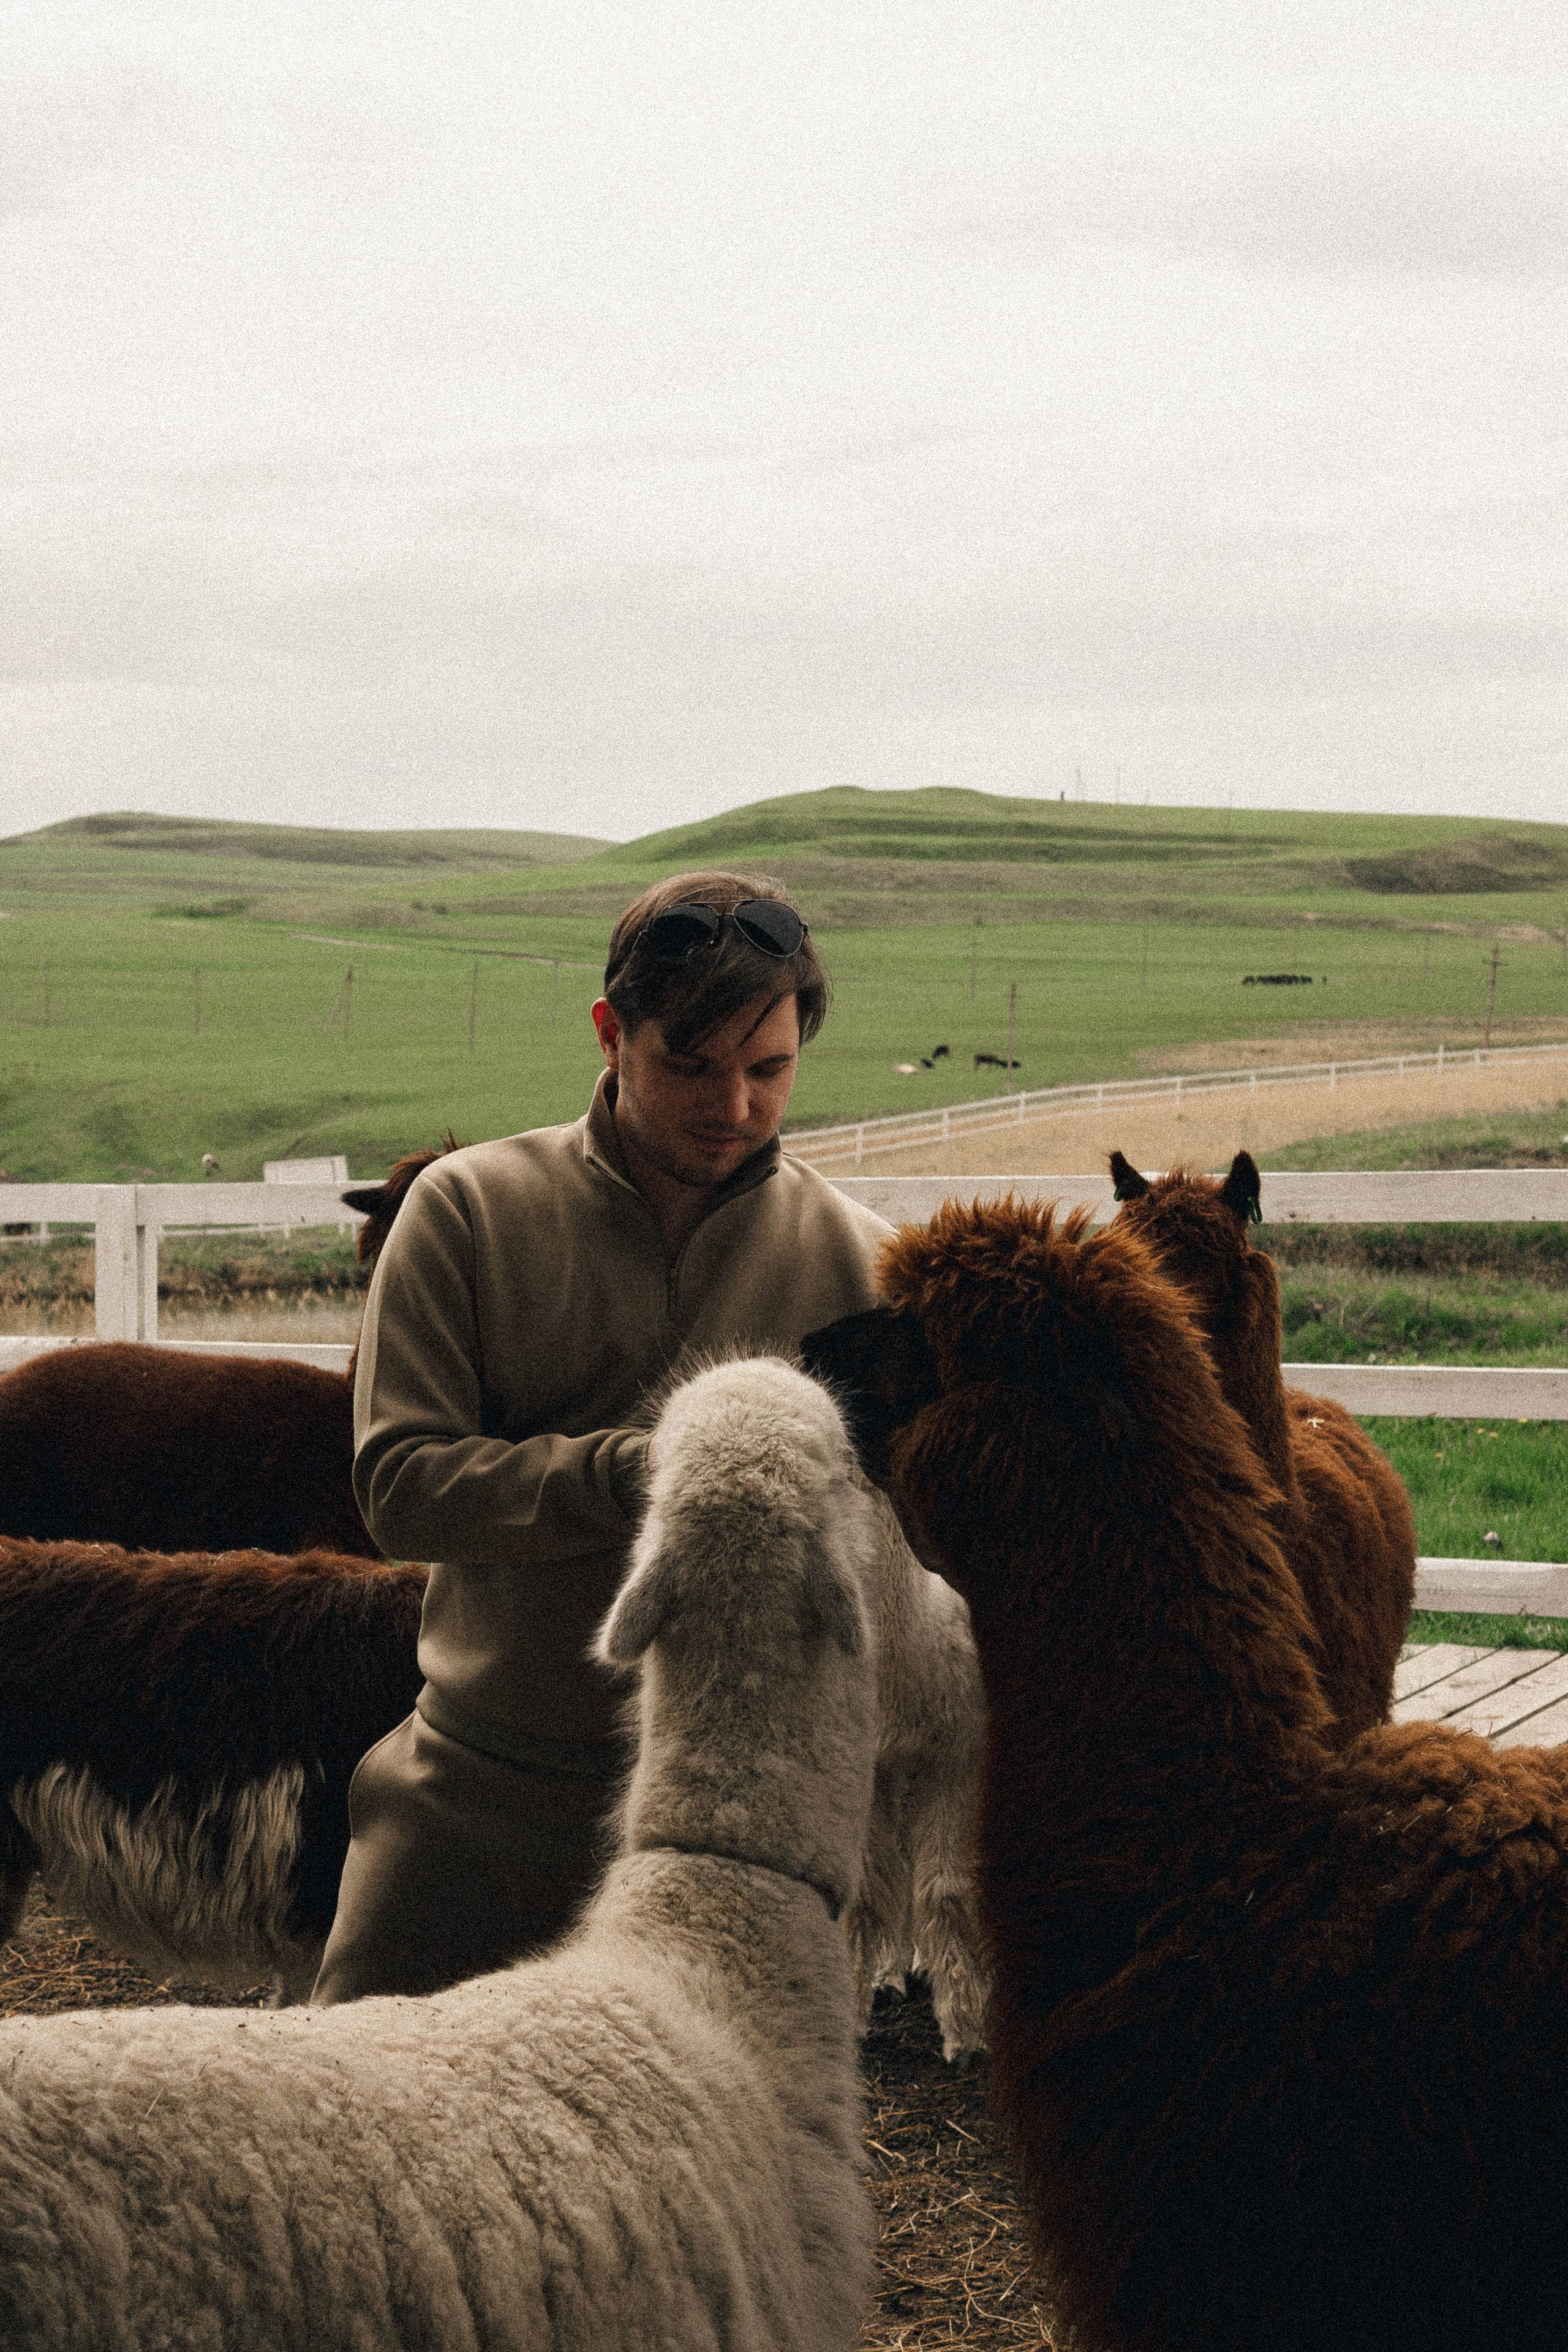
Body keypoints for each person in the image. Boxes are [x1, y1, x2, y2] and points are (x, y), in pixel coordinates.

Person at [311, 869, 892, 2003]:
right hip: (476, 1799)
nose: (733, 1107)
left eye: (768, 1069)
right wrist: (662, 1471)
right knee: (350, 2154)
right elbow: (399, 1488)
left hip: (735, 1835)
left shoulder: (862, 1265)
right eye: (690, 1063)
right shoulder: (466, 1212)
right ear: (610, 1031)